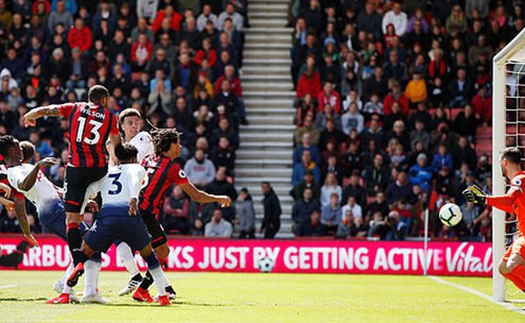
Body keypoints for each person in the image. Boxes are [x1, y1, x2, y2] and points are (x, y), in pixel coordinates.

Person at [23, 85, 122, 281]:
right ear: (104, 100)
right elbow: (116, 144)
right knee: (108, 209)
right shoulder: (110, 117)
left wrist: (31, 113)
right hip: (99, 171)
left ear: (89, 98)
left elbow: (50, 109)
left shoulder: (75, 107)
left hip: (76, 170)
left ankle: (77, 259)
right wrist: (116, 163)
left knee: (72, 220)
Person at [65, 143, 171, 306]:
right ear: (135, 158)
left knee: (85, 250)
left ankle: (75, 273)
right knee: (149, 256)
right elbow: (135, 180)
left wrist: (85, 205)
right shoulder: (136, 168)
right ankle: (163, 295)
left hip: (107, 216)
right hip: (129, 214)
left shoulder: (108, 171)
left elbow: (90, 189)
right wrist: (134, 198)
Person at [1, 136, 103, 304]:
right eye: (16, 147)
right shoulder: (13, 173)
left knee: (88, 244)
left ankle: (77, 288)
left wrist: (82, 200)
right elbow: (24, 185)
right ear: (9, 152)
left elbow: (53, 188)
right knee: (86, 244)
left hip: (58, 207)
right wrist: (38, 166)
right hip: (51, 211)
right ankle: (71, 287)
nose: (20, 150)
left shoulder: (26, 166)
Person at [133, 127, 231, 301]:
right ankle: (143, 289)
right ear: (170, 146)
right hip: (145, 213)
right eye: (177, 143)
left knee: (158, 249)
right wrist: (219, 198)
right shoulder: (172, 168)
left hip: (135, 209)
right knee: (162, 251)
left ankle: (146, 289)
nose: (180, 146)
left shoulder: (148, 159)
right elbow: (196, 196)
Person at [463, 147, 525, 294]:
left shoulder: (519, 179)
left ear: (505, 162)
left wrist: (484, 198)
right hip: (521, 234)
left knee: (511, 265)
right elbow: (512, 206)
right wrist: (487, 201)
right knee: (503, 268)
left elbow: (510, 198)